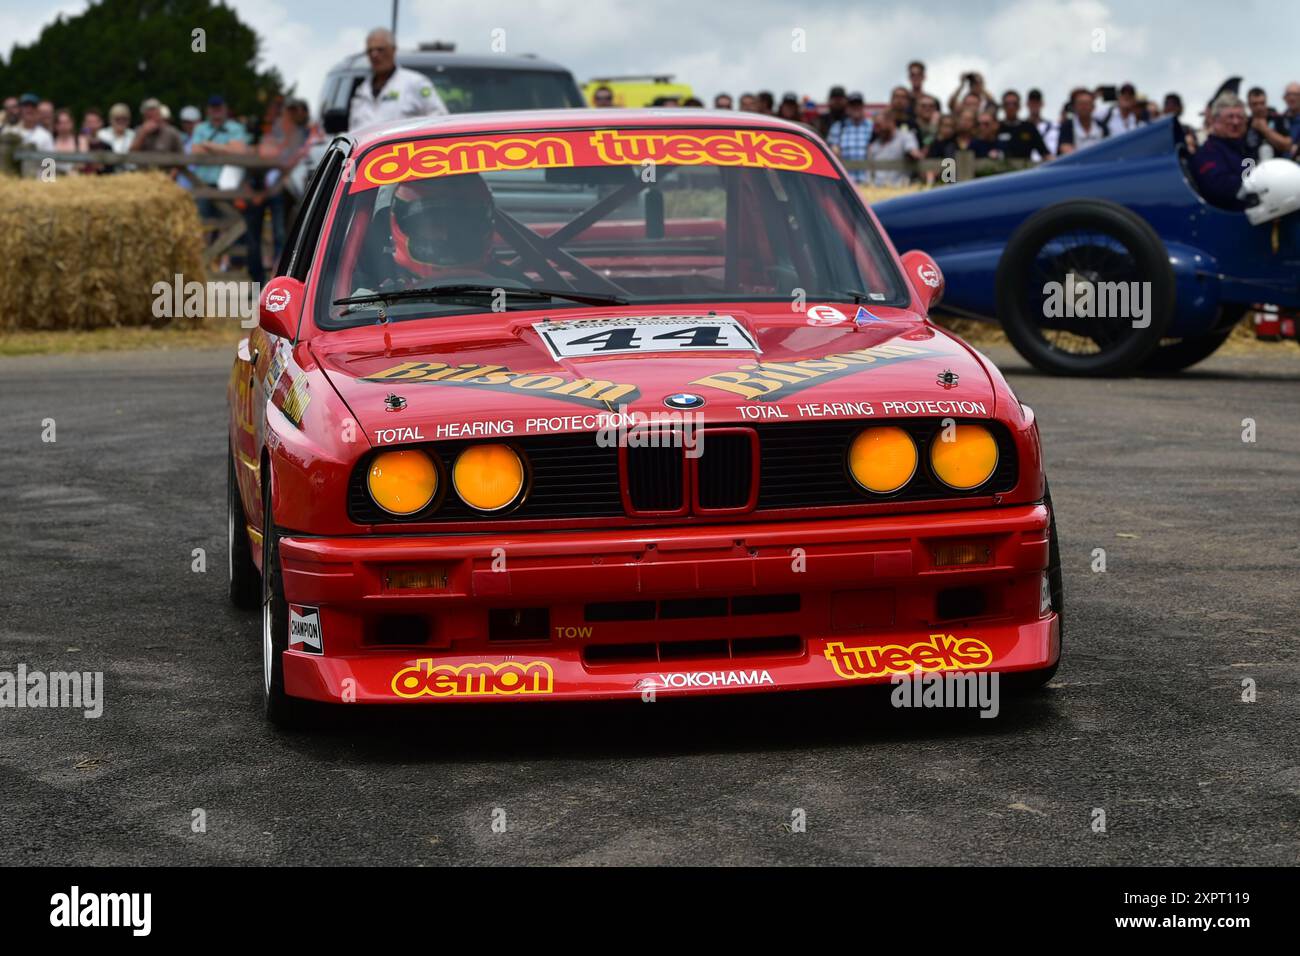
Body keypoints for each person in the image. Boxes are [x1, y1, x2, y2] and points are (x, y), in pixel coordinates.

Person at [362, 174, 501, 293]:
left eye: (461, 223)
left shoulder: (512, 287)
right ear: (397, 224)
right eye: (434, 223)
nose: (445, 235)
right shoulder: (367, 292)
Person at [349, 27, 447, 129]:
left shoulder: (415, 83)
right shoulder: (361, 91)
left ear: (393, 50)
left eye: (380, 50)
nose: (374, 55)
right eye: (370, 51)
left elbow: (439, 119)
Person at [1192, 94, 1251, 211]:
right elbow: (1219, 188)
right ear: (1214, 120)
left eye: (1240, 117)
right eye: (1230, 117)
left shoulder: (1245, 148)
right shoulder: (1207, 152)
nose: (1236, 122)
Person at [865, 108, 922, 186]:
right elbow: (869, 174)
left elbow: (913, 152)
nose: (876, 130)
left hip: (900, 190)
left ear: (890, 122)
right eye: (875, 126)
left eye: (878, 125)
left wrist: (913, 153)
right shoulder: (874, 146)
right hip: (877, 190)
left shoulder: (905, 137)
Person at [827, 92, 873, 183]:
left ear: (863, 107)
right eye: (853, 105)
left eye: (858, 105)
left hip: (868, 182)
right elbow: (831, 151)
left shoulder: (872, 126)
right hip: (846, 183)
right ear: (847, 108)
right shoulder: (838, 127)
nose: (856, 108)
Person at [997, 90, 1049, 161]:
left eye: (1014, 104)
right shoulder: (996, 127)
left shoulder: (1028, 127)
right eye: (1007, 104)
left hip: (1025, 170)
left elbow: (1045, 153)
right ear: (1003, 106)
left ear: (1019, 106)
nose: (1011, 107)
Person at [1244, 87, 1292, 161]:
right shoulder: (1245, 123)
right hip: (1253, 168)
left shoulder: (1278, 119)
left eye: (1262, 103)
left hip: (1277, 166)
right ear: (1249, 105)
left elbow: (1287, 145)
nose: (1259, 107)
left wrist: (1265, 129)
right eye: (1255, 104)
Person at [11, 93, 53, 175]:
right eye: (25, 106)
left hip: (37, 183)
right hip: (12, 182)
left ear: (37, 110)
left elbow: (50, 164)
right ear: (20, 109)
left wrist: (48, 185)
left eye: (32, 106)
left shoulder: (45, 135)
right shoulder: (10, 132)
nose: (29, 109)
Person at [1057, 88, 1108, 154]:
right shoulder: (1067, 126)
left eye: (1087, 104)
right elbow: (1066, 149)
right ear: (1074, 106)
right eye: (1081, 104)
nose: (1084, 107)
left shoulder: (1101, 126)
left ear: (1093, 107)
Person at [51, 108, 87, 175]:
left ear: (72, 123)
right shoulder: (51, 141)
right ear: (55, 125)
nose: (64, 126)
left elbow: (83, 163)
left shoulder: (80, 140)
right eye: (60, 123)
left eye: (66, 122)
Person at [1026, 88, 1057, 159]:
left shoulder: (1053, 127)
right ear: (1027, 104)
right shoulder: (1022, 127)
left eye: (1037, 102)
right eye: (1032, 102)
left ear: (1042, 104)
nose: (1034, 105)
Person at [1282, 83, 1300, 157]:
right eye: (1289, 95)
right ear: (1284, 98)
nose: (1292, 98)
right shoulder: (1278, 120)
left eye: (1296, 94)